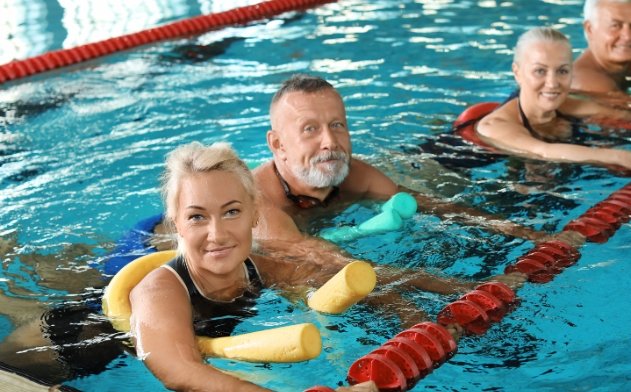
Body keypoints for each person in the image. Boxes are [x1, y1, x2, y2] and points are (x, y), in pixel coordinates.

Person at [128, 141, 381, 392]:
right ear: (178, 225)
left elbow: (328, 279)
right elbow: (179, 372)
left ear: (255, 213)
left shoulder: (260, 268)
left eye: (231, 212)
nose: (216, 234)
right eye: (197, 217)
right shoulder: (158, 292)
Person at [252, 74, 578, 245]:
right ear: (278, 144)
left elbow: (432, 205)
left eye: (337, 125)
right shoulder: (259, 206)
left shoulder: (355, 175)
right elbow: (322, 263)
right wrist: (456, 289)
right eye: (310, 129)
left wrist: (529, 234)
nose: (330, 142)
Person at [475, 27, 631, 182]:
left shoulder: (567, 105)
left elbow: (624, 115)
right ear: (517, 73)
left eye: (562, 71)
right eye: (540, 71)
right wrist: (623, 157)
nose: (552, 84)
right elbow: (544, 151)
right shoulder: (496, 125)